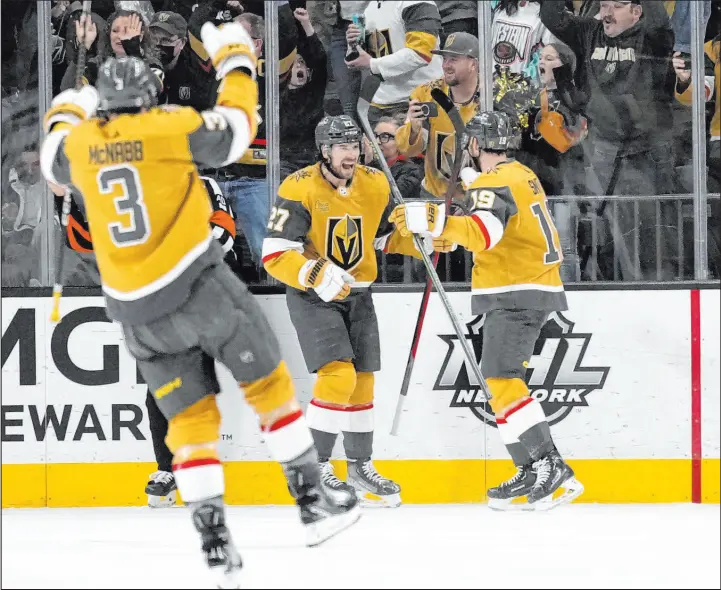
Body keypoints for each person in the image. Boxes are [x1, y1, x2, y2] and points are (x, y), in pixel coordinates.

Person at [39, 24, 359, 588]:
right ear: (150, 97)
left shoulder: (83, 147)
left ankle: (214, 542)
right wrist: (236, 58)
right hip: (197, 285)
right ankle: (311, 502)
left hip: (134, 315)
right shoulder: (168, 126)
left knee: (189, 421)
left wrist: (74, 102)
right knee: (267, 384)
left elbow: (51, 154)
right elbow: (238, 131)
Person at [388, 111, 584, 510]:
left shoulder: (493, 183)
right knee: (498, 384)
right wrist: (453, 220)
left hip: (515, 292)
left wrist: (433, 218)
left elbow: (482, 234)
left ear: (475, 145)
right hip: (526, 287)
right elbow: (499, 225)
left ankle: (551, 465)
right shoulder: (520, 175)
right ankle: (528, 468)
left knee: (502, 380)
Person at [261, 115, 433, 508]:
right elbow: (274, 253)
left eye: (355, 146)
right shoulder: (299, 186)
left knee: (363, 383)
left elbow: (387, 237)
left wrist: (425, 241)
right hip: (313, 295)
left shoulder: (374, 184)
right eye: (342, 146)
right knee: (337, 377)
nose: (351, 154)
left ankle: (358, 466)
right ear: (324, 151)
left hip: (359, 293)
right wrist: (310, 270)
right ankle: (314, 469)